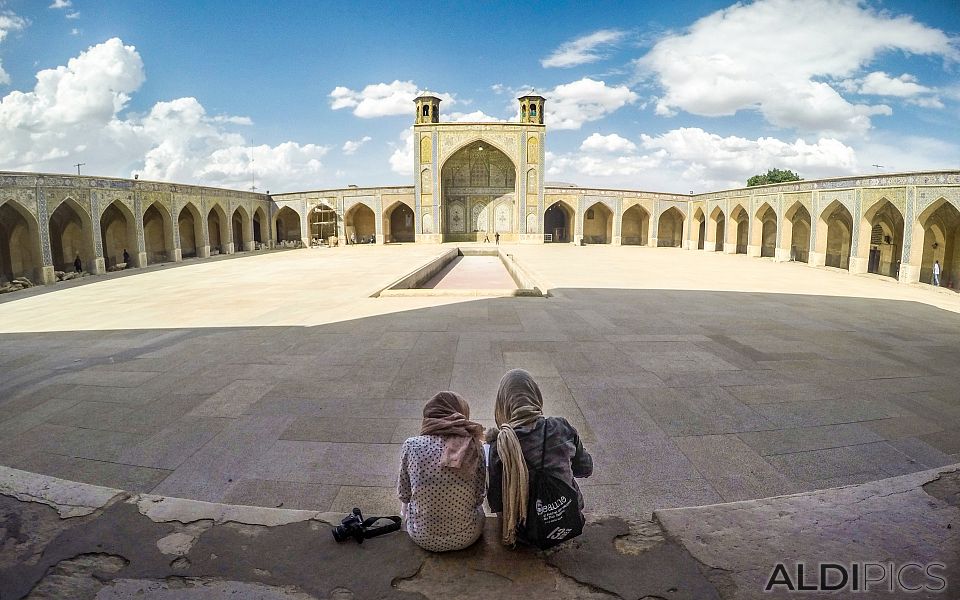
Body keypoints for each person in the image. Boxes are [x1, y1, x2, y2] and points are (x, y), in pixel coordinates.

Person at [487, 369, 592, 547]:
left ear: (502, 404)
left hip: (524, 534)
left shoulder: (501, 444)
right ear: (536, 395)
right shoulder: (561, 427)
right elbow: (585, 468)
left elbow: (496, 502)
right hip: (568, 520)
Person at [398, 391, 486, 552]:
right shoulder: (474, 446)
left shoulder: (412, 445)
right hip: (467, 536)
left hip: (421, 536)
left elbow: (404, 493)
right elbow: (480, 496)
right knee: (478, 510)